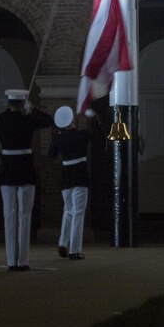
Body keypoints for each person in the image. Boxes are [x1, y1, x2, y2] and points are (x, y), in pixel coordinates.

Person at [0, 89, 53, 271]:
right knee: (25, 215)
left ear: (8, 103)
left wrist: (10, 109)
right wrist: (32, 109)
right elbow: (49, 121)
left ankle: (11, 261)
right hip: (26, 169)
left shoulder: (0, 121)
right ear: (22, 103)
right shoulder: (29, 120)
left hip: (8, 170)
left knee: (9, 215)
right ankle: (23, 261)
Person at [49, 105, 96, 260]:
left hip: (66, 176)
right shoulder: (81, 135)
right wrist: (90, 118)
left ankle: (63, 242)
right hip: (80, 175)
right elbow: (95, 135)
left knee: (68, 210)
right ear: (72, 121)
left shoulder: (58, 138)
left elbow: (51, 155)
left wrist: (56, 135)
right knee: (78, 212)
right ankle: (74, 249)